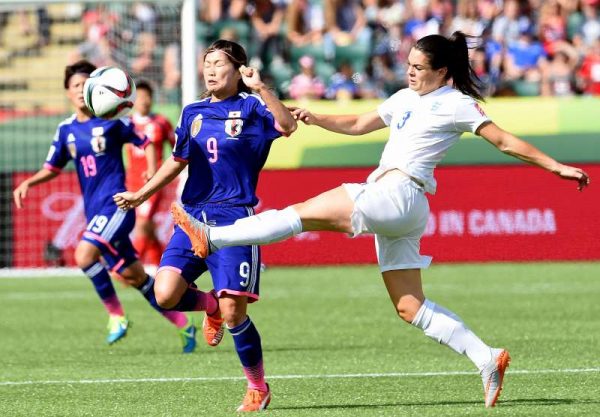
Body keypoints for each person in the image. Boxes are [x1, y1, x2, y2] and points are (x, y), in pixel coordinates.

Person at [165, 32, 591, 408]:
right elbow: (357, 122)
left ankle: (214, 237)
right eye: (407, 65)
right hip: (405, 209)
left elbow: (504, 141)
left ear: (443, 72)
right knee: (410, 307)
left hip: (398, 192)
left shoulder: (457, 103)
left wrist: (555, 167)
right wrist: (317, 117)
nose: (410, 73)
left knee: (301, 213)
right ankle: (487, 357)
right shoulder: (405, 98)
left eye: (419, 68)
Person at [113, 40, 297, 412]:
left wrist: (260, 87)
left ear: (239, 69)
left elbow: (287, 125)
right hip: (194, 217)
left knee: (235, 315)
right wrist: (141, 195)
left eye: (218, 64)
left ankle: (257, 386)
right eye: (206, 64)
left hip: (235, 219)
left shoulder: (251, 108)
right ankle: (209, 303)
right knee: (165, 294)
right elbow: (177, 160)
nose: (210, 70)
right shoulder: (192, 111)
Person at [13, 60, 197, 353]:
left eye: (86, 84)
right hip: (95, 213)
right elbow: (53, 167)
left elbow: (148, 139)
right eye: (76, 86)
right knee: (135, 277)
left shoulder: (113, 121)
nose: (81, 90)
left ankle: (116, 316)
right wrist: (29, 183)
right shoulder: (66, 130)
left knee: (84, 253)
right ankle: (183, 324)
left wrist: (150, 167)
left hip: (118, 206)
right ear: (68, 93)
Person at [126, 79, 175, 268]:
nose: (144, 101)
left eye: (148, 97)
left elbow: (177, 148)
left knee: (142, 223)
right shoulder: (127, 123)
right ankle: (160, 264)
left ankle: (130, 268)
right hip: (132, 181)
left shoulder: (162, 122)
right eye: (140, 97)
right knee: (148, 228)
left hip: (154, 181)